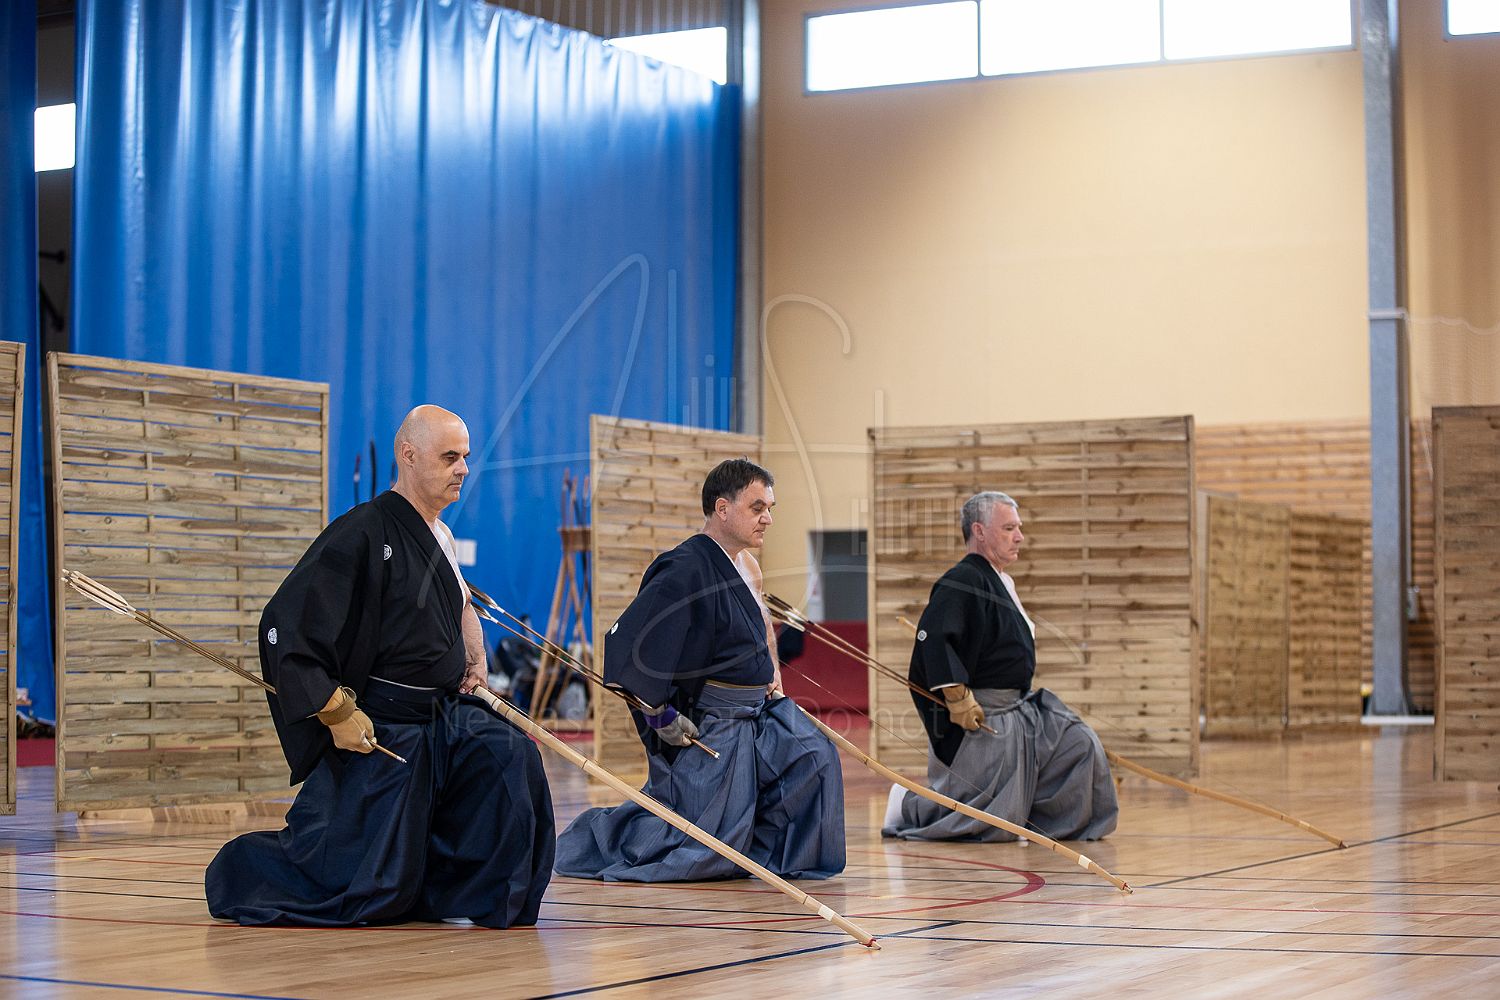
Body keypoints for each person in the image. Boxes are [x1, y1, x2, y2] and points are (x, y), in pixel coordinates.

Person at [206, 405, 555, 927]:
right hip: (386, 722)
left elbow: (461, 603)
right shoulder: (361, 531)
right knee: (370, 888)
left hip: (444, 713)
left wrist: (476, 659)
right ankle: (247, 872)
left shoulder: (441, 535)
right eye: (450, 457)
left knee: (509, 754)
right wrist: (334, 712)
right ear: (408, 456)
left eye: (465, 457)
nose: (463, 469)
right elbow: (287, 623)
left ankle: (474, 897)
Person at [553, 458, 844, 882]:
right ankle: (595, 840)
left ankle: (769, 855)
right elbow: (633, 646)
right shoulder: (683, 567)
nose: (768, 518)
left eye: (770, 508)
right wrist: (660, 716)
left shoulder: (749, 566)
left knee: (814, 756)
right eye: (757, 508)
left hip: (759, 710)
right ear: (723, 508)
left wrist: (774, 677)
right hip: (713, 719)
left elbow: (762, 626)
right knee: (706, 846)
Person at [883, 491, 1117, 843]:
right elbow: (933, 638)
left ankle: (1036, 819)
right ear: (979, 531)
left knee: (1078, 743)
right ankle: (908, 805)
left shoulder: (1001, 581)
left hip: (1021, 707)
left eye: (1018, 528)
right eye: (1009, 528)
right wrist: (958, 697)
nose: (1019, 537)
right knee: (990, 820)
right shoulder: (963, 579)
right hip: (986, 710)